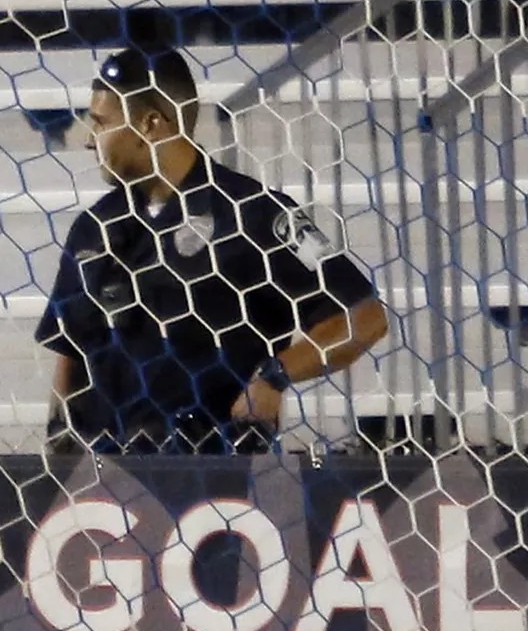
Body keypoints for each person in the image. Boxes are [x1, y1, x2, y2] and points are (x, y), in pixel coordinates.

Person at [36, 47, 390, 452]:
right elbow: (70, 350)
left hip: (217, 473)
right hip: (108, 475)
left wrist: (275, 376)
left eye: (100, 124)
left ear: (150, 124)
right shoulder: (93, 228)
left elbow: (364, 318)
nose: (87, 139)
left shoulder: (258, 214)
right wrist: (57, 444)